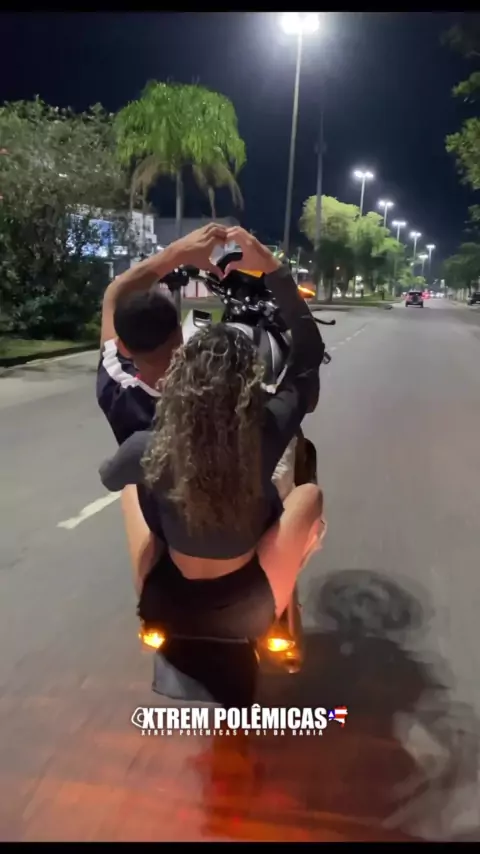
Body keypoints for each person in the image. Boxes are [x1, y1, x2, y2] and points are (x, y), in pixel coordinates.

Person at [99, 228, 326, 639]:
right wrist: (272, 267)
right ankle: (289, 571)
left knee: (133, 486)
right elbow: (307, 354)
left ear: (180, 376)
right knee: (308, 492)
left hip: (164, 602)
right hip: (254, 604)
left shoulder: (144, 445)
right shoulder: (264, 430)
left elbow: (110, 477)